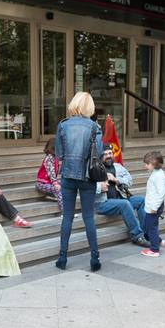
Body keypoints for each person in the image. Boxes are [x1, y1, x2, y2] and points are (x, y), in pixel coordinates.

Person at [54, 92, 105, 271]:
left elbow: (58, 154)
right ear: (89, 107)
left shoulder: (63, 125)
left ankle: (62, 258)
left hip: (68, 175)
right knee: (88, 217)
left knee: (67, 217)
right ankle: (94, 258)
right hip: (87, 177)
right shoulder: (94, 127)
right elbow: (98, 154)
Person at [94, 148, 149, 247]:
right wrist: (100, 187)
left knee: (141, 200)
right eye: (105, 154)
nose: (108, 156)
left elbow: (129, 180)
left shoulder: (118, 167)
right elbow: (86, 187)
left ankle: (146, 233)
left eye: (110, 153)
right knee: (125, 204)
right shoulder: (95, 169)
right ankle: (137, 236)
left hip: (120, 199)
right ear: (101, 157)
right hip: (103, 203)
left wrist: (116, 180)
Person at [139, 151, 165, 257]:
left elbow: (161, 193)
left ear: (154, 163)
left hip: (154, 207)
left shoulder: (158, 176)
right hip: (151, 206)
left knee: (151, 228)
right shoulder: (156, 174)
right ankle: (158, 241)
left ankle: (154, 249)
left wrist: (154, 207)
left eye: (147, 164)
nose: (145, 166)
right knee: (148, 226)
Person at [36, 138, 61, 208]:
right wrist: (55, 183)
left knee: (66, 184)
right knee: (58, 189)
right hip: (42, 184)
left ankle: (52, 196)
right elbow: (51, 172)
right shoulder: (49, 158)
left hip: (49, 182)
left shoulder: (55, 158)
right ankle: (66, 212)